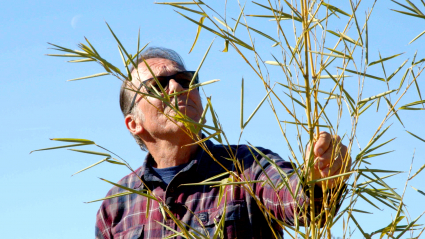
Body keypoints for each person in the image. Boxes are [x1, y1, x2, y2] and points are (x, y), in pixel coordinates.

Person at [95, 47, 351, 239]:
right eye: (158, 86)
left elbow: (302, 206)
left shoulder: (247, 165)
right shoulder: (117, 204)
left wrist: (319, 180)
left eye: (186, 80)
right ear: (133, 124)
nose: (176, 87)